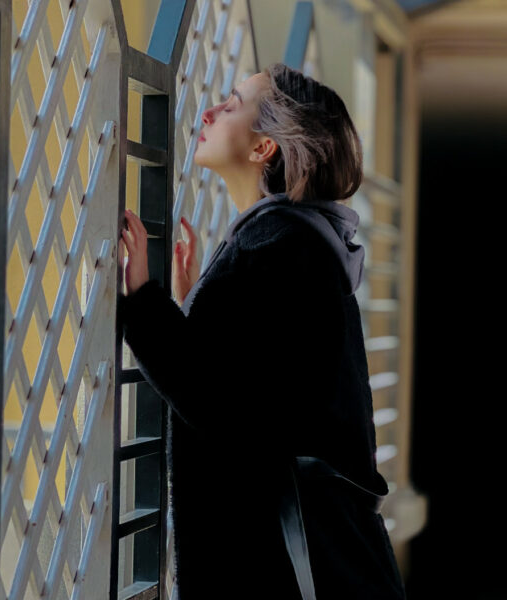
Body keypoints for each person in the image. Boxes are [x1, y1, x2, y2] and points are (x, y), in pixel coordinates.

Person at [118, 62, 406, 599]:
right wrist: (195, 303)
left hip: (274, 565)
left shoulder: (277, 247)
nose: (209, 112)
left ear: (263, 148)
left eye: (231, 104)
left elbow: (217, 401)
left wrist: (142, 301)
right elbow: (267, 383)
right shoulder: (300, 243)